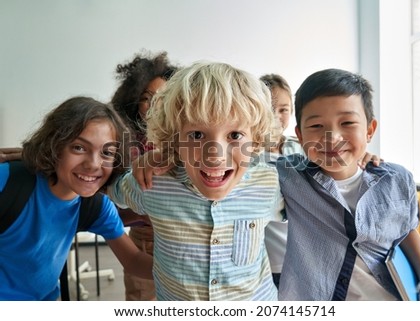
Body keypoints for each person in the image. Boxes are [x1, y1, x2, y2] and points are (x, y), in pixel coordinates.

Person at [107, 61, 283, 300]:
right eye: (197, 135)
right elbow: (108, 188)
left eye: (235, 135)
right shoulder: (153, 184)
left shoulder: (270, 182)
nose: (215, 155)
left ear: (257, 140)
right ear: (174, 139)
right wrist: (140, 163)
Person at [276, 68, 420, 300]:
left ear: (370, 130)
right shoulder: (288, 176)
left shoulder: (396, 178)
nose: (332, 137)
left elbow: (405, 230)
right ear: (300, 135)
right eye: (316, 126)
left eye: (347, 122)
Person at [0, 96, 153, 300]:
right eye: (79, 148)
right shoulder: (8, 181)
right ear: (55, 145)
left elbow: (133, 260)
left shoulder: (96, 205)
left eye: (107, 153)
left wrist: (190, 271)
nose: (93, 164)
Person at [110, 50, 178, 301]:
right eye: (146, 98)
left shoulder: (188, 140)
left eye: (163, 98)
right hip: (146, 238)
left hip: (186, 237)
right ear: (133, 102)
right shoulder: (123, 142)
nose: (154, 106)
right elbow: (114, 198)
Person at [259, 73, 303, 288]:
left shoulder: (301, 149)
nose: (276, 116)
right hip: (266, 263)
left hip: (303, 258)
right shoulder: (244, 155)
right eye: (269, 108)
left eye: (284, 109)